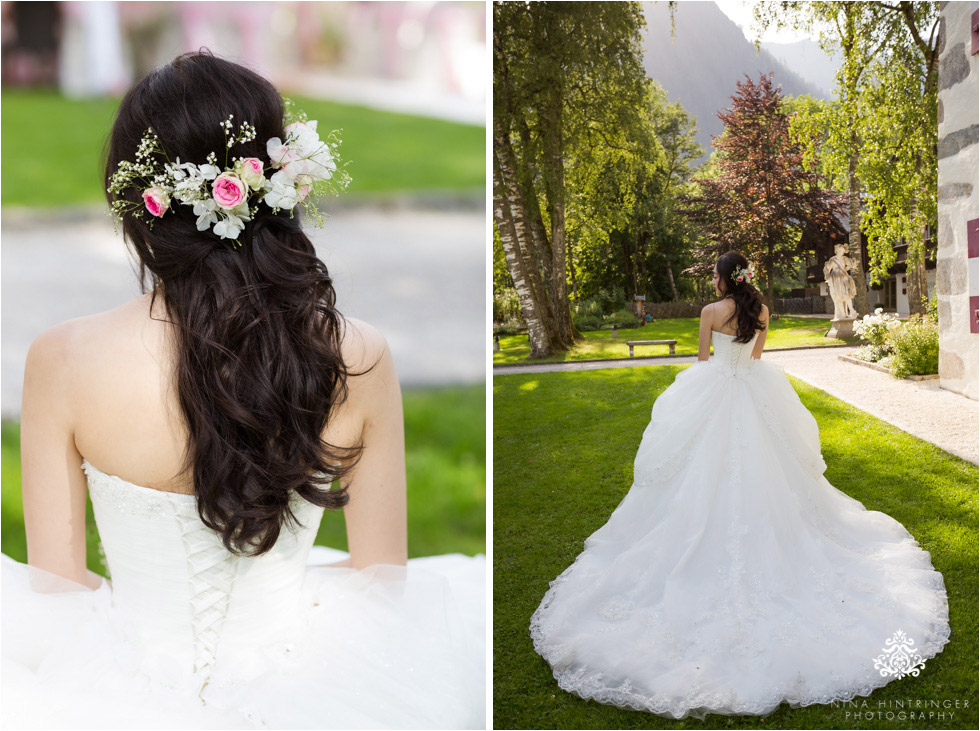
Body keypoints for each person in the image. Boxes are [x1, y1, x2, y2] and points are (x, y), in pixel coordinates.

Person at [1, 51, 484, 730]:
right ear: (280, 181)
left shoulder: (62, 358)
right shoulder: (356, 355)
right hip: (310, 688)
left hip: (118, 681)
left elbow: (56, 584)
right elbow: (381, 575)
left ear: (138, 203)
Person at [529, 251, 949, 720]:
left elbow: (705, 360)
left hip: (716, 391)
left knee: (695, 471)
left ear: (724, 278)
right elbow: (753, 358)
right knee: (774, 467)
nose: (711, 280)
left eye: (713, 273)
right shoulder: (762, 310)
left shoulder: (709, 312)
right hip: (754, 390)